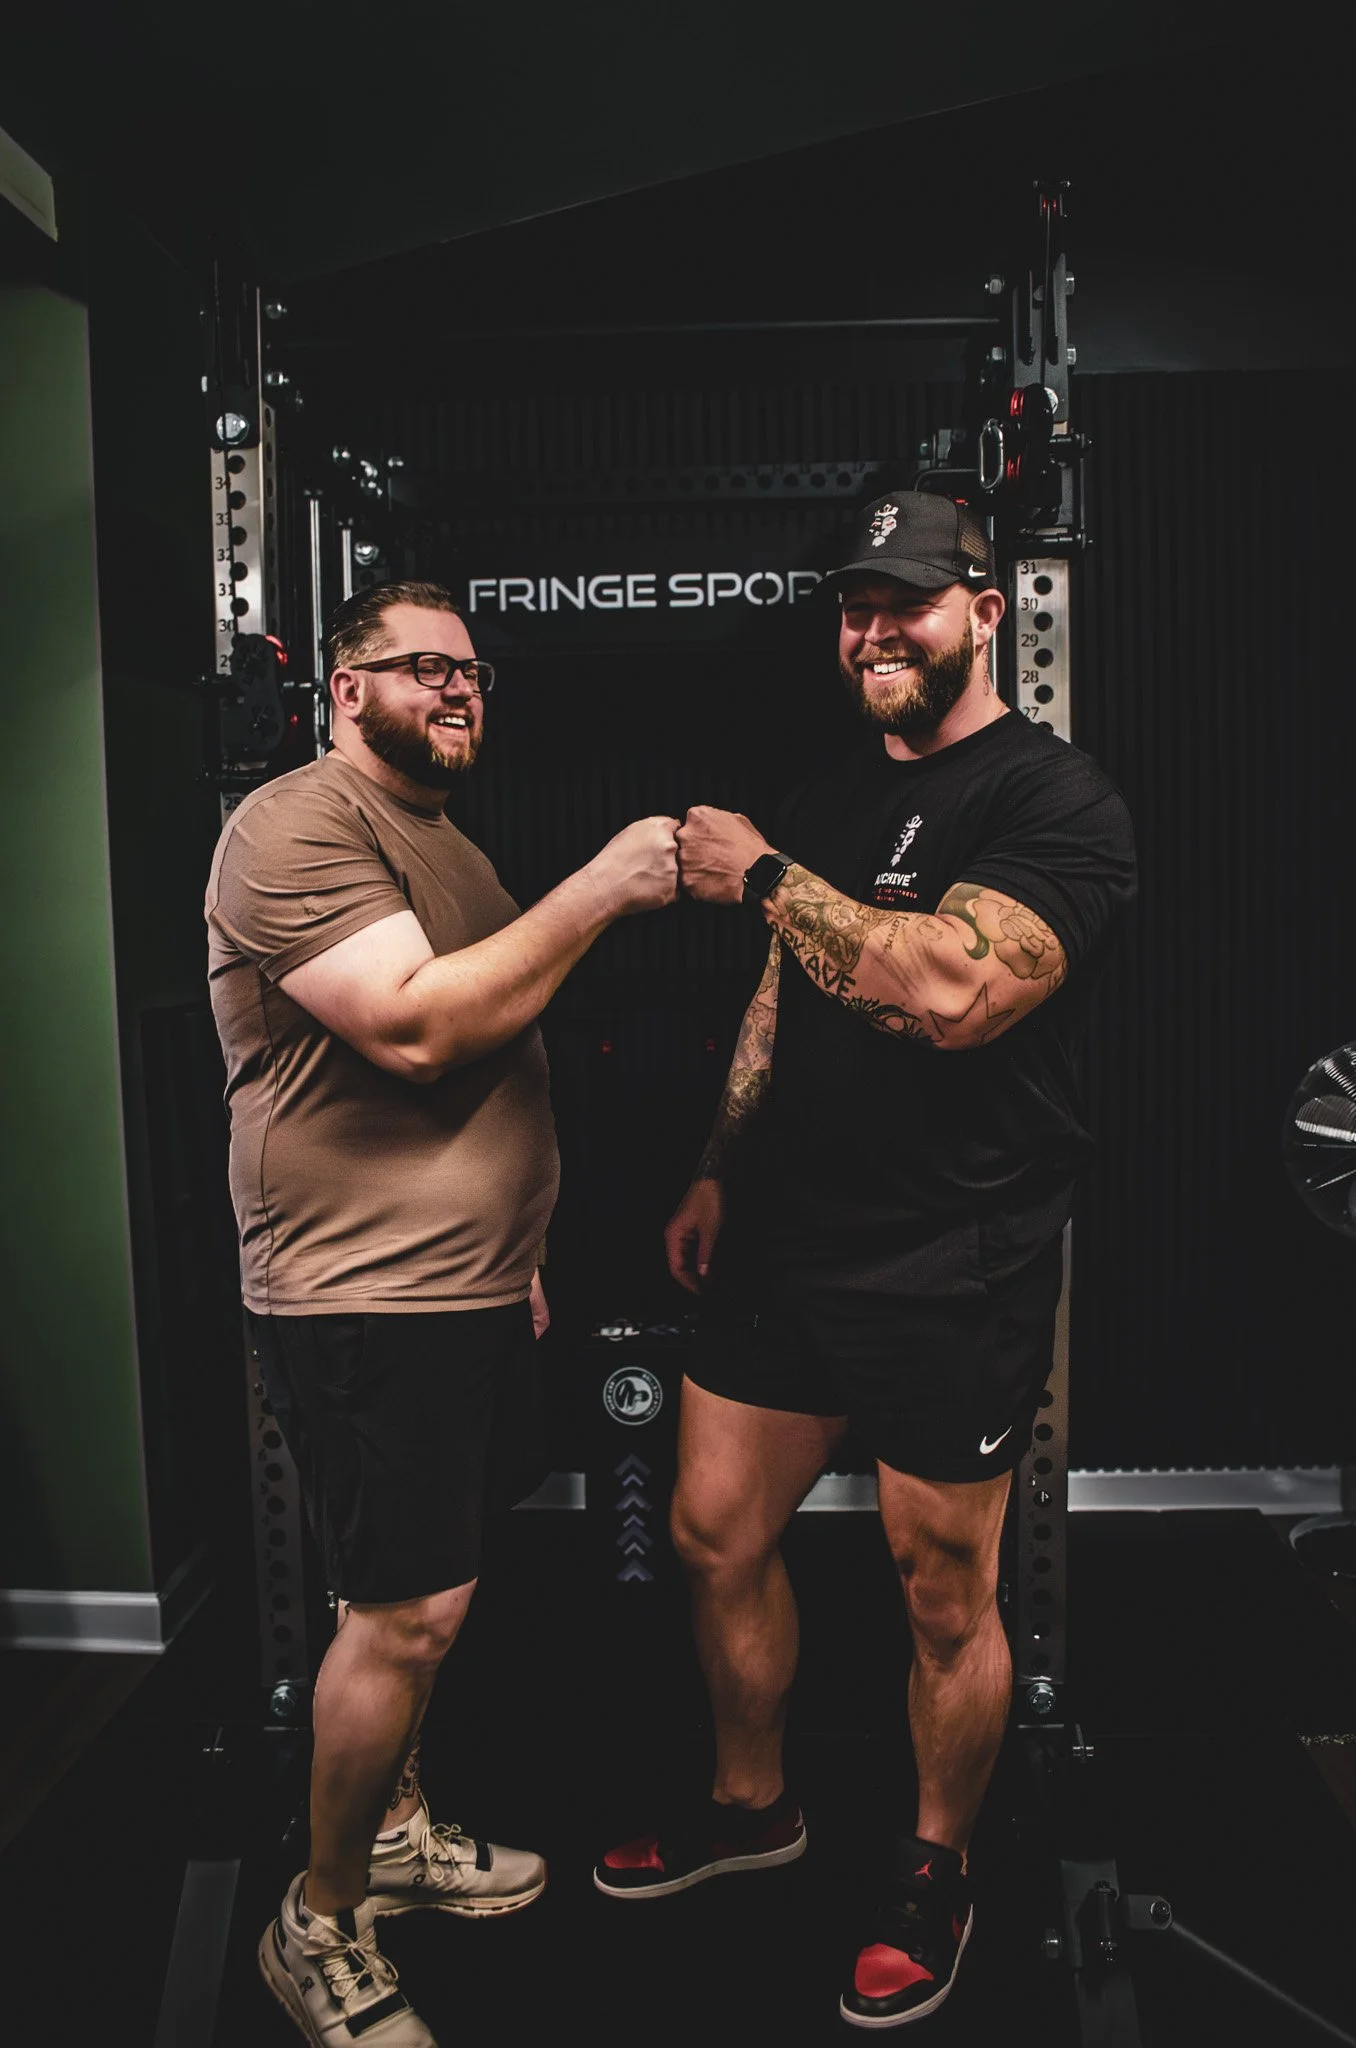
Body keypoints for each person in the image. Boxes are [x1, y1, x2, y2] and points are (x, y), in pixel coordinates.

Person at [593, 494, 1136, 2030]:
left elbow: (954, 995)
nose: (875, 632)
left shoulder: (1057, 801)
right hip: (784, 1239)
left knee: (941, 1592)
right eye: (853, 607)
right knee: (709, 1533)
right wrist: (714, 1163)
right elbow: (789, 999)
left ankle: (935, 1863)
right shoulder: (832, 798)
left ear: (984, 608)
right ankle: (755, 1804)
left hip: (946, 1255)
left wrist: (764, 874)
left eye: (906, 603)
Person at [206, 579, 678, 2047]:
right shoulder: (293, 827)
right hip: (366, 1299)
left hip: (467, 1291)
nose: (460, 691)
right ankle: (321, 1916)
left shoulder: (446, 844)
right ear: (348, 692)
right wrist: (602, 884)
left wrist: (518, 1240)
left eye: (472, 673)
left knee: (413, 1601)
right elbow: (416, 1027)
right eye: (424, 671)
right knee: (407, 1613)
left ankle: (396, 1831)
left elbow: (485, 1038)